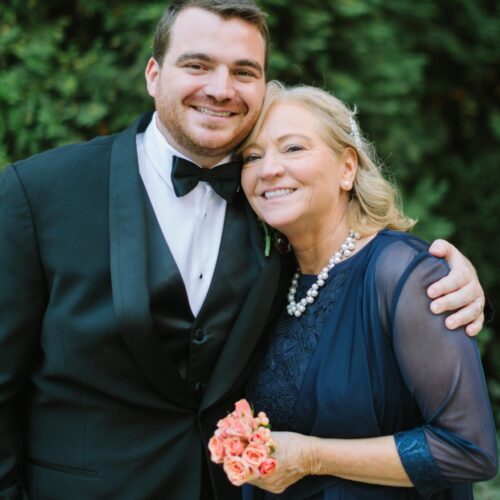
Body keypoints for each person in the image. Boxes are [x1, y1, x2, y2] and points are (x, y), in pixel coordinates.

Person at [0, 1, 488, 499]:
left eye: (243, 71)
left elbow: (359, 261)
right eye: (196, 64)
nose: (220, 88)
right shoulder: (38, 194)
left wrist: (441, 275)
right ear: (153, 75)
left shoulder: (271, 210)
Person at [239, 81, 498, 499]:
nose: (268, 168)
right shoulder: (267, 280)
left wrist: (312, 456)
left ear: (347, 168)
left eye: (293, 149)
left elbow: (468, 450)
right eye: (252, 156)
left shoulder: (405, 274)